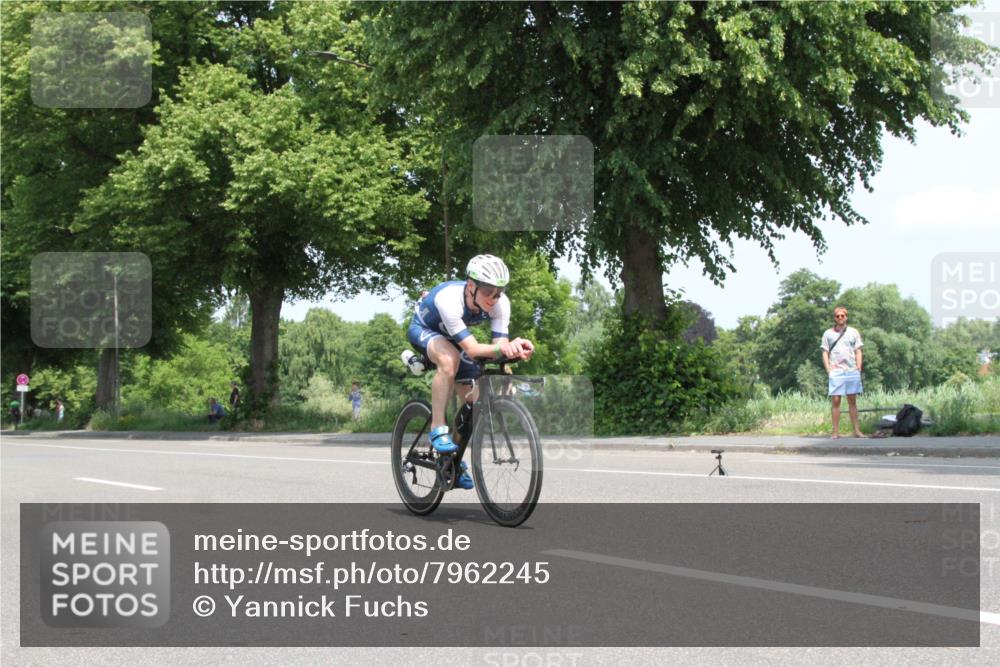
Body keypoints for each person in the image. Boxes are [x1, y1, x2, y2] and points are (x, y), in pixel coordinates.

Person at [407, 254, 534, 490]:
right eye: (488, 292)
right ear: (471, 286)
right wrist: (503, 347)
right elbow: (474, 349)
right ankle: (437, 428)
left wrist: (514, 351)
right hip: (425, 330)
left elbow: (498, 348)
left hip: (456, 339)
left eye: (499, 292)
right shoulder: (449, 300)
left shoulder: (501, 304)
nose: (494, 299)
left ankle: (452, 462)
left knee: (473, 400)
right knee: (448, 359)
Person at [821, 306, 865, 439]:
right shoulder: (828, 333)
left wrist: (859, 366)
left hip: (851, 370)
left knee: (852, 400)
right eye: (837, 316)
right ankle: (835, 432)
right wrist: (828, 369)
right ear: (834, 318)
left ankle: (857, 431)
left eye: (842, 315)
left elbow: (858, 350)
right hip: (836, 370)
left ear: (846, 317)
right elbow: (825, 352)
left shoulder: (853, 332)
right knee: (835, 400)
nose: (840, 318)